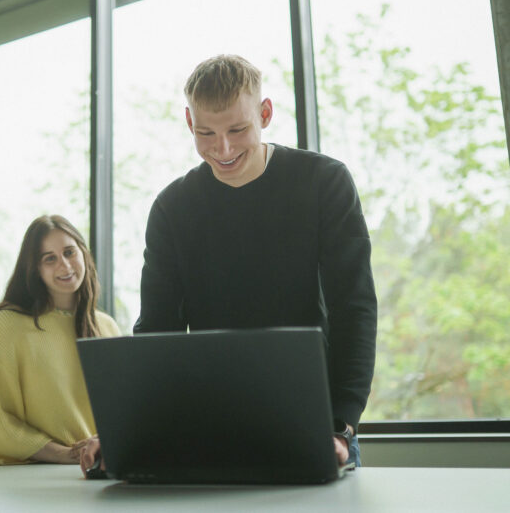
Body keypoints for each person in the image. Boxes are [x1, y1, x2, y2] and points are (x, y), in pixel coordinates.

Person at [81, 54, 376, 476]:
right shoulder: (172, 208)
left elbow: (355, 309)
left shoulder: (324, 183)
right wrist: (127, 430)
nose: (223, 149)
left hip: (317, 423)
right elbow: (157, 332)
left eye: (238, 130)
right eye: (206, 133)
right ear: (189, 122)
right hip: (209, 420)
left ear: (265, 113)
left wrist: (343, 426)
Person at [0, 214, 120, 465]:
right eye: (49, 258)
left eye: (69, 252)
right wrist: (63, 454)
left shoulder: (108, 327)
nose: (65, 265)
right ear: (35, 269)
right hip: (37, 474)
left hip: (101, 470)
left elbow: (121, 413)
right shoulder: (8, 326)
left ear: (84, 253)